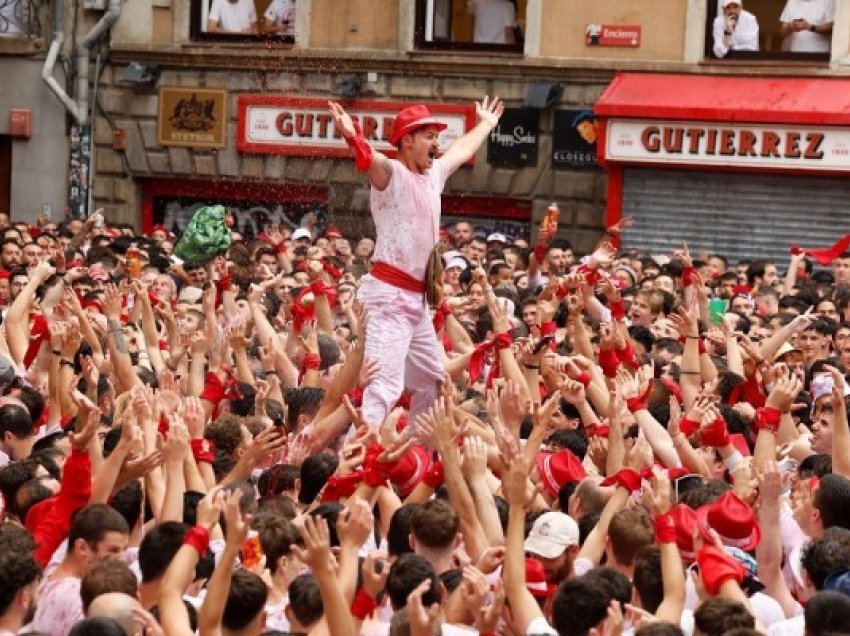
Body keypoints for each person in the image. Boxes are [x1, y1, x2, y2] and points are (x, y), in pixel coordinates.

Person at [327, 95, 503, 428]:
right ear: (407, 141)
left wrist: (486, 124)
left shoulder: (434, 173)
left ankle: (419, 452)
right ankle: (355, 464)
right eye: (429, 136)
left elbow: (462, 150)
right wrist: (352, 136)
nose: (437, 143)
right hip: (388, 297)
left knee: (433, 384)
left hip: (417, 301)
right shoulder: (392, 174)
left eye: (436, 137)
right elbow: (370, 161)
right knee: (383, 388)